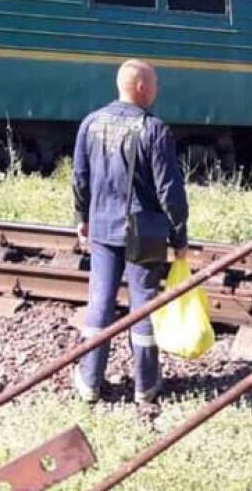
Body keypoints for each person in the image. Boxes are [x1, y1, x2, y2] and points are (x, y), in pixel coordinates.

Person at [71, 59, 189, 407]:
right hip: (146, 232)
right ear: (140, 87)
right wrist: (180, 238)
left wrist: (82, 216)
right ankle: (146, 386)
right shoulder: (155, 129)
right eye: (154, 83)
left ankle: (90, 381)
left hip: (103, 228)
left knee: (100, 303)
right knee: (144, 308)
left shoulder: (90, 124)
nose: (157, 89)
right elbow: (170, 191)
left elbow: (80, 177)